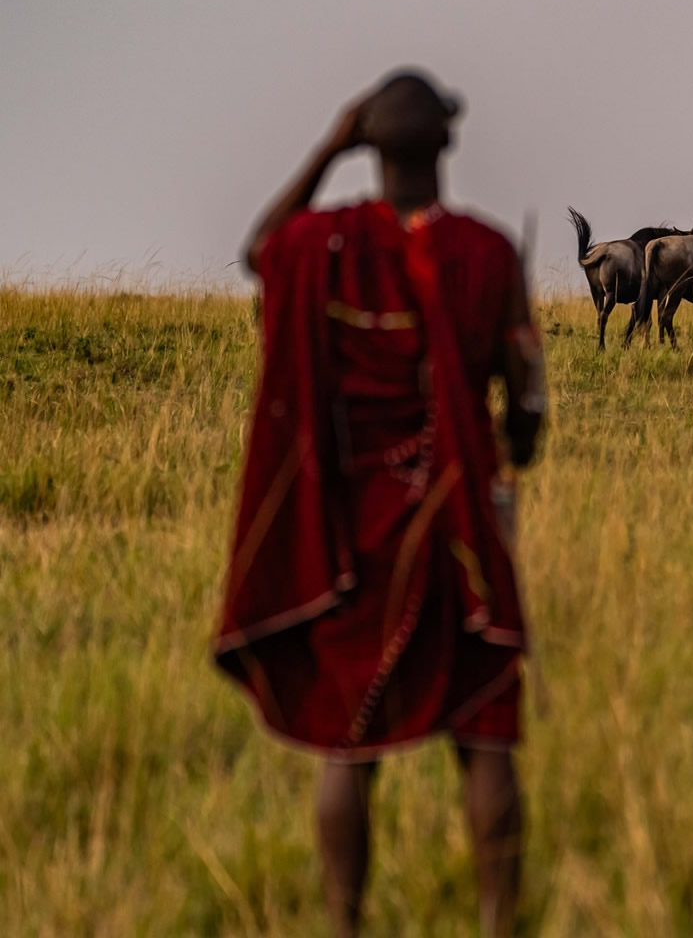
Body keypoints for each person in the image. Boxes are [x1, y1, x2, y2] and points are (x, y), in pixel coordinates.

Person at [216, 70, 546, 938]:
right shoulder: (486, 252)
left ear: (368, 145)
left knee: (348, 743)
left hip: (352, 535)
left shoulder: (324, 244)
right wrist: (518, 445)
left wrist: (329, 145)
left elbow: (258, 249)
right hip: (461, 531)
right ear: (447, 143)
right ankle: (498, 924)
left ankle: (344, 925)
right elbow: (527, 397)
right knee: (485, 736)